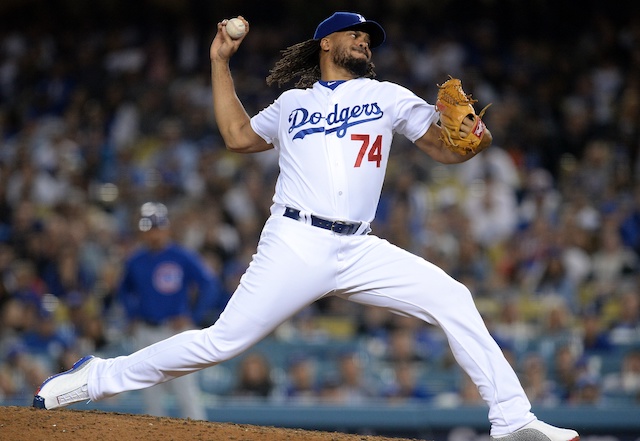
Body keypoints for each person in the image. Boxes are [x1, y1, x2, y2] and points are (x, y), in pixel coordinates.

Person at [33, 11, 579, 441]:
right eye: (355, 34)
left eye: (370, 36)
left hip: (359, 246)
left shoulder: (388, 96)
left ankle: (512, 419)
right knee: (220, 344)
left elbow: (444, 148)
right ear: (325, 42)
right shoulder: (293, 102)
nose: (366, 40)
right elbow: (238, 136)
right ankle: (97, 377)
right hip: (295, 240)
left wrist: (472, 145)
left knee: (453, 297)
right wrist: (220, 62)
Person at [115, 202, 227, 419]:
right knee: (150, 396)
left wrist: (193, 316)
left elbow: (210, 285)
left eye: (157, 227)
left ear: (166, 228)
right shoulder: (135, 260)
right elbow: (123, 291)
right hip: (146, 331)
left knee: (186, 393)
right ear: (142, 232)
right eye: (149, 229)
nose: (154, 233)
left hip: (176, 331)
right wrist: (132, 315)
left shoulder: (181, 256)